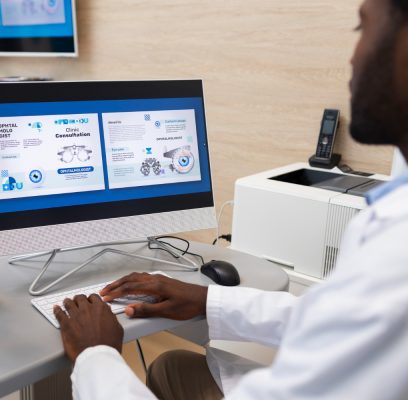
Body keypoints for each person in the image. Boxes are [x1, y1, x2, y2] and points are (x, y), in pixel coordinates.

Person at [53, 0, 408, 398]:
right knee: (172, 365)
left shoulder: (397, 258)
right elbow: (340, 321)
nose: (353, 57)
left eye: (362, 30)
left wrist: (97, 356)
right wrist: (209, 299)